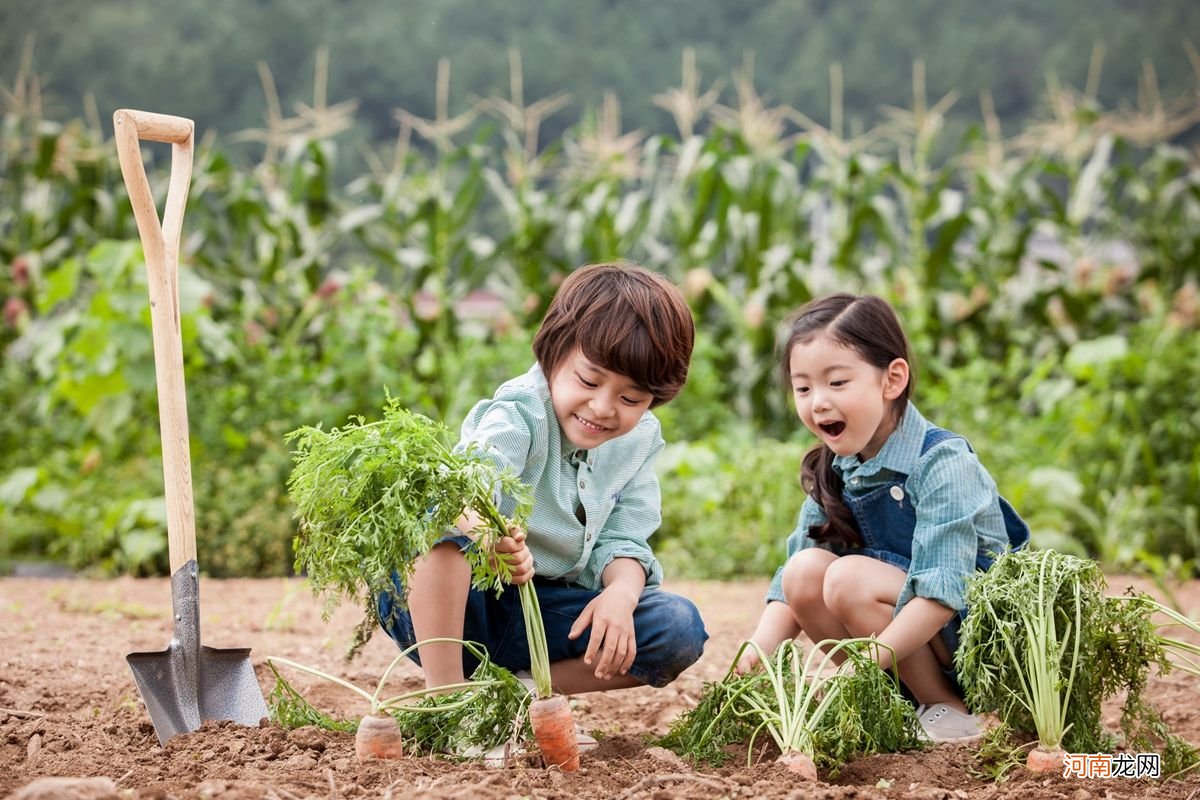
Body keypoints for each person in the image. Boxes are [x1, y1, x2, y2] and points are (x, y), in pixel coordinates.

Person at [376, 261, 708, 757]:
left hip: (546, 615)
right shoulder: (520, 413)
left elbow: (625, 539)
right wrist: (489, 534)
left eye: (631, 396)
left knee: (677, 627)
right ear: (554, 353)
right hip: (463, 606)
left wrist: (620, 594)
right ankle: (450, 706)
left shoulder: (638, 441)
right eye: (589, 380)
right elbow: (467, 487)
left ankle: (518, 696)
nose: (602, 407)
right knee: (441, 520)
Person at [737, 293, 1029, 744]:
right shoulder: (836, 465)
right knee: (803, 572)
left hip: (976, 643)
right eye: (803, 388)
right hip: (904, 641)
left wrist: (861, 665)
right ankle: (896, 707)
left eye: (836, 383)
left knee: (848, 578)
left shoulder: (942, 462)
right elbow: (791, 584)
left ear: (892, 380)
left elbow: (942, 594)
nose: (818, 403)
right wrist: (758, 651)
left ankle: (948, 710)